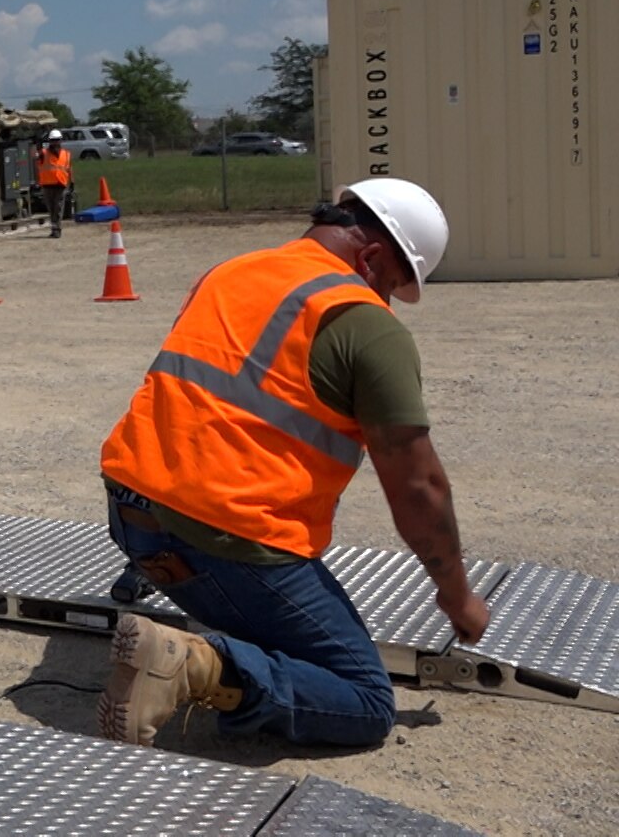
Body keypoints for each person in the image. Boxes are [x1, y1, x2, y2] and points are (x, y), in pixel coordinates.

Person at [95, 177, 490, 749]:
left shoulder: (231, 271)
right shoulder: (363, 323)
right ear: (373, 257)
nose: (386, 300)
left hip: (131, 515)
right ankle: (199, 666)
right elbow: (419, 489)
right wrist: (456, 594)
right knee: (365, 699)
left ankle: (203, 633)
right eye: (393, 285)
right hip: (223, 541)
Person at [36, 129, 72, 238]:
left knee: (58, 207)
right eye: (53, 140)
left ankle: (57, 229)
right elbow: (36, 156)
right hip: (47, 185)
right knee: (51, 208)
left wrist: (72, 181)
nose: (55, 143)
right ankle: (54, 227)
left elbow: (69, 169)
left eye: (57, 140)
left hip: (60, 184)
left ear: (60, 141)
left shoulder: (66, 154)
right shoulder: (43, 153)